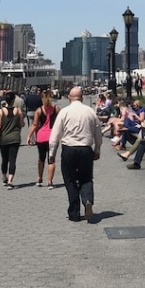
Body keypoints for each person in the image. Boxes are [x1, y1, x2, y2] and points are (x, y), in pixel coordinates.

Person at [48, 86, 103, 222]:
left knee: (70, 180)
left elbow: (55, 135)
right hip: (85, 149)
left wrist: (52, 154)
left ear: (69, 98)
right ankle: (87, 200)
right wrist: (97, 150)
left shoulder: (64, 112)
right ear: (82, 98)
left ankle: (74, 212)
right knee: (86, 178)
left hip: (69, 149)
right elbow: (98, 134)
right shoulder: (90, 111)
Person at [27, 89, 58, 188]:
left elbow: (35, 125)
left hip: (41, 137)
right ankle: (50, 182)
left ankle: (39, 179)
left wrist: (29, 136)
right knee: (51, 159)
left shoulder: (39, 110)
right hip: (52, 137)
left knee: (41, 158)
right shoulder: (56, 109)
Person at [0, 98, 23, 188]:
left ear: (5, 101)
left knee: (4, 159)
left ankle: (4, 177)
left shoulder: (0, 112)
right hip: (15, 138)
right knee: (12, 160)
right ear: (13, 101)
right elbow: (22, 124)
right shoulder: (18, 111)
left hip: (4, 139)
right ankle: (10, 181)